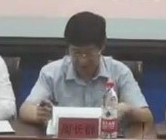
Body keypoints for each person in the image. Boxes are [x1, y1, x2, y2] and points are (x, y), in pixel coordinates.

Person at [19, 11, 153, 129]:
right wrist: (39, 114)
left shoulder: (119, 72)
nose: (83, 61)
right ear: (68, 48)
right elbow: (25, 109)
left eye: (89, 53)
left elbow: (147, 116)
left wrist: (128, 110)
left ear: (102, 46)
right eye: (76, 53)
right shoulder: (51, 72)